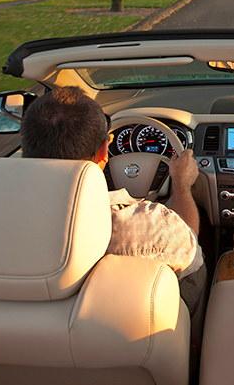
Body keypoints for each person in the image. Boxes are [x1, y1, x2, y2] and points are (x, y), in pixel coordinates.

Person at [18, 87, 205, 315]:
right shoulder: (155, 226)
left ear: (26, 149)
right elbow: (190, 245)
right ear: (105, 151)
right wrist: (181, 184)